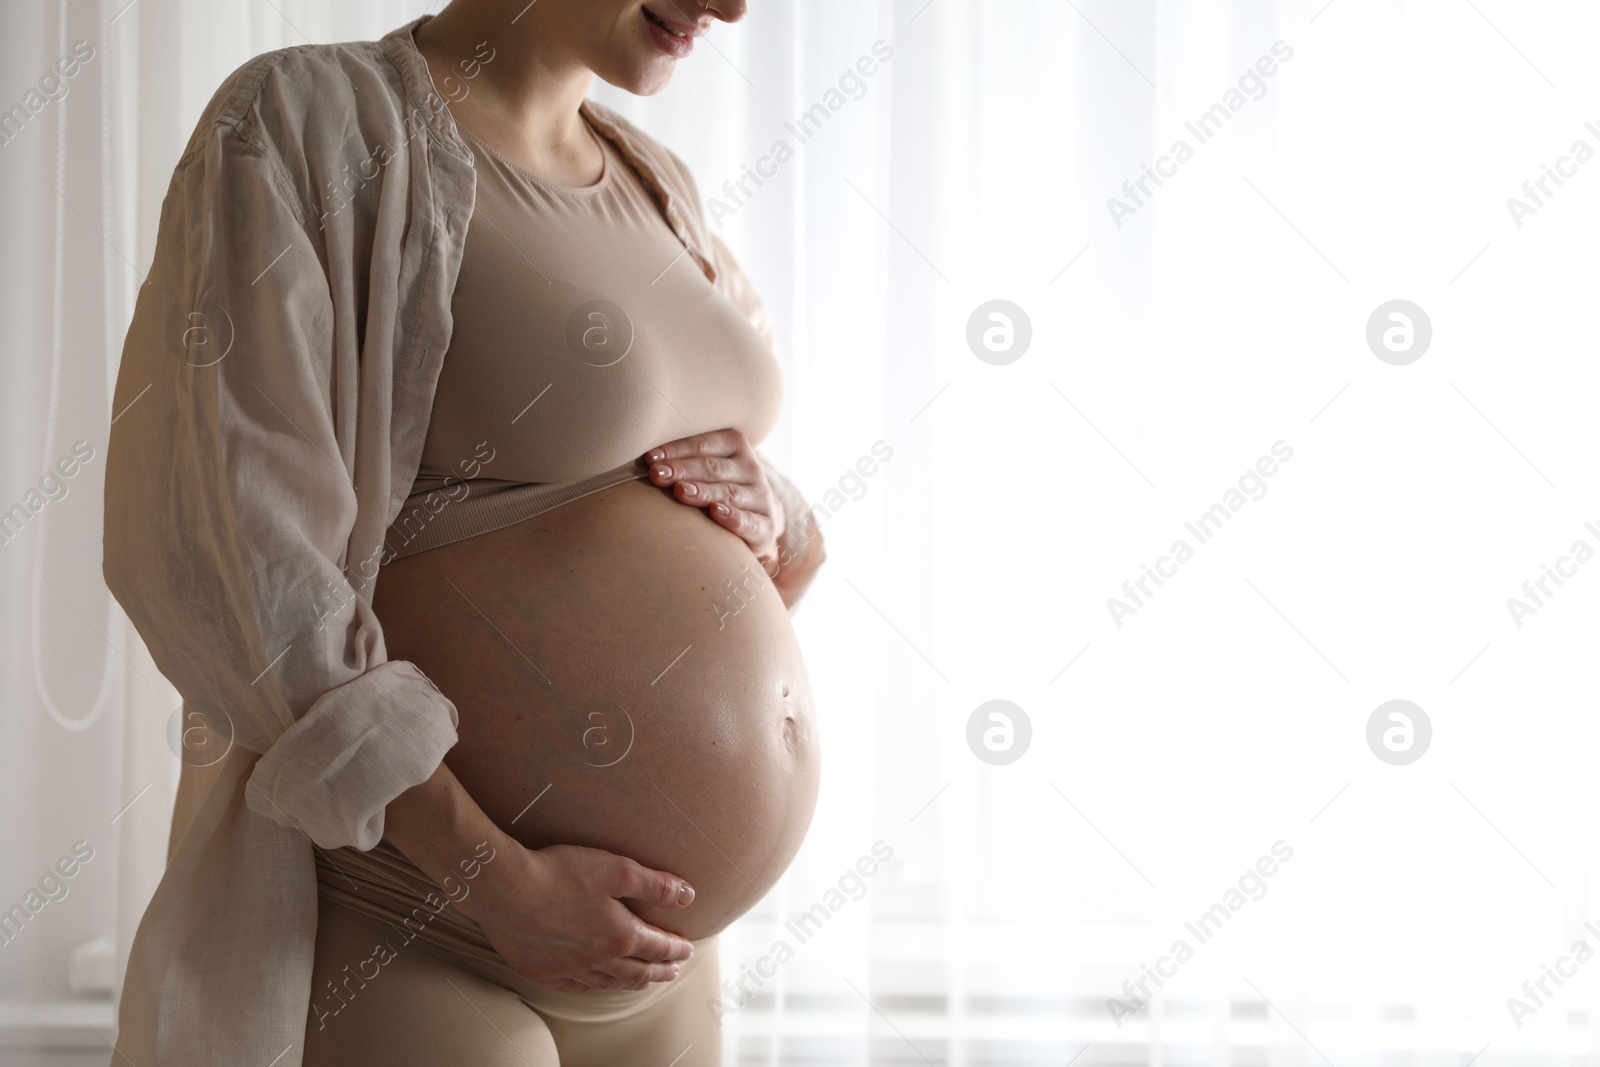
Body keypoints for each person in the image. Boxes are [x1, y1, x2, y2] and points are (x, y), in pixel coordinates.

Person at [101, 2, 826, 1064]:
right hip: (424, 921)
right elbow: (226, 549)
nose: (732, 6)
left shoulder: (653, 182)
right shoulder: (309, 123)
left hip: (656, 962)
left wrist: (780, 513)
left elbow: (683, 503)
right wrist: (500, 878)